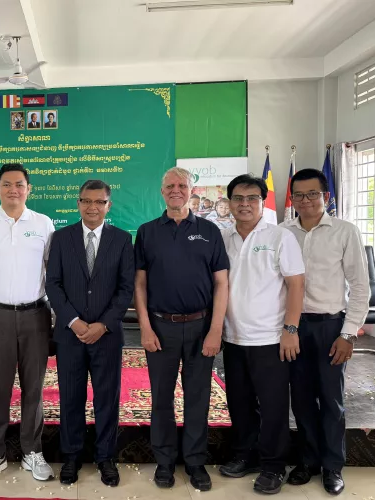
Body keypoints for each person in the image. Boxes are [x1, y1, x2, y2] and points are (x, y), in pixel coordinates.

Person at [134, 167, 229, 492]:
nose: (176, 190)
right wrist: (145, 327)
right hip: (161, 328)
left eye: (182, 185)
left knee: (198, 397)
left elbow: (221, 283)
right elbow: (140, 284)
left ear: (192, 190)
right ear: (162, 192)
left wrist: (216, 329)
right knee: (161, 398)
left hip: (202, 326)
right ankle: (164, 461)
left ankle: (195, 462)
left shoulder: (209, 231)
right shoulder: (147, 232)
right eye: (170, 186)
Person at [281, 168, 370, 495]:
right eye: (299, 195)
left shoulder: (344, 231)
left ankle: (333, 467)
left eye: (312, 194)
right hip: (294, 327)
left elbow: (360, 287)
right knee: (301, 399)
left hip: (331, 326)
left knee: (331, 400)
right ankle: (308, 461)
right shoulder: (283, 232)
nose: (305, 201)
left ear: (326, 197)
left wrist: (348, 334)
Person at [218, 174, 305, 495]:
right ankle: (245, 455)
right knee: (238, 403)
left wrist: (290, 329)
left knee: (273, 406)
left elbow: (296, 284)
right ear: (229, 203)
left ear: (262, 202)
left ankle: (273, 465)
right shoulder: (223, 238)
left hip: (271, 339)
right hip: (233, 338)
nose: (244, 204)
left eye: (252, 198)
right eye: (238, 198)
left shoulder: (281, 237)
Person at [0, 163, 55, 483]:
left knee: (33, 386)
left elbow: (51, 269)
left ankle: (33, 450)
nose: (13, 190)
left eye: (19, 184)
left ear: (28, 189)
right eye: (7, 184)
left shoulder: (44, 224)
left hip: (35, 315)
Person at [46, 180, 134, 486]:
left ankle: (105, 457)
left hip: (107, 335)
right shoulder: (61, 237)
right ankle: (71, 456)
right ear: (78, 203)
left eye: (99, 202)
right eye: (86, 201)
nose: (92, 207)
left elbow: (126, 288)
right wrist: (72, 321)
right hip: (70, 335)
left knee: (106, 398)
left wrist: (103, 324)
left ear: (109, 205)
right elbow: (52, 284)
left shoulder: (122, 240)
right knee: (71, 396)